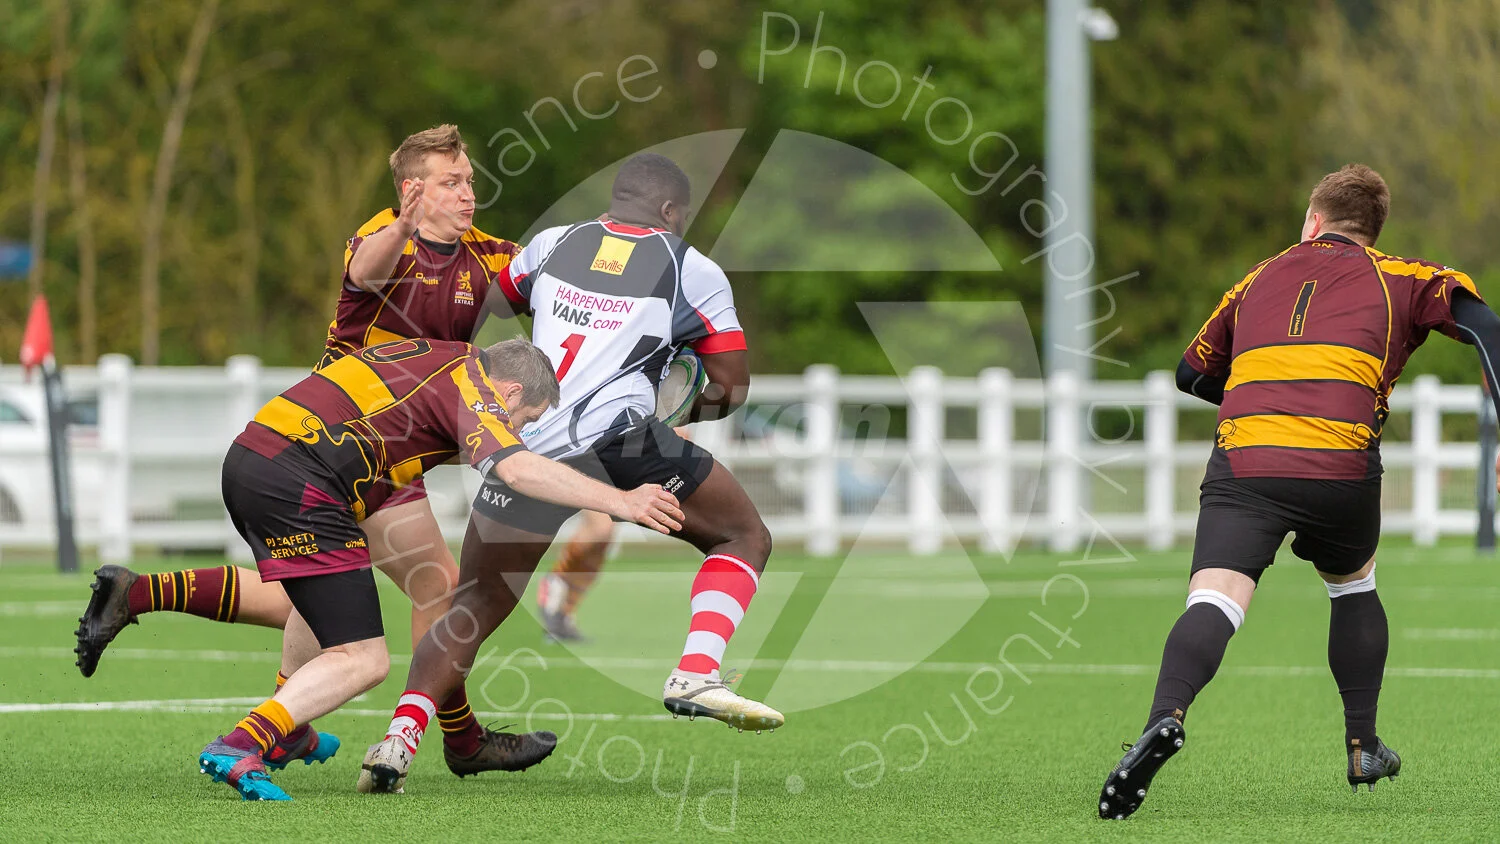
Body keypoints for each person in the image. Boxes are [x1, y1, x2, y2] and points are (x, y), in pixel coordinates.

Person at [73, 125, 544, 778]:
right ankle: (455, 739)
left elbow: (550, 281)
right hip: (352, 443)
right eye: (452, 182)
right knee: (434, 585)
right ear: (412, 193)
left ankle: (146, 598)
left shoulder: (488, 252)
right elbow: (363, 269)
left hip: (357, 448)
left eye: (469, 180)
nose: (469, 193)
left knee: (312, 601)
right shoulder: (385, 237)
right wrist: (404, 228)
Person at [357, 153, 778, 794]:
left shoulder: (555, 243)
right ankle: (696, 671)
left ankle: (397, 741)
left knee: (475, 603)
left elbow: (496, 309)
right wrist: (678, 408)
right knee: (743, 537)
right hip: (622, 441)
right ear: (672, 213)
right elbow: (732, 385)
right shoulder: (692, 268)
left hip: (524, 440)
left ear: (614, 199)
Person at [1097, 164, 1500, 820]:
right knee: (1353, 583)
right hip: (1339, 467)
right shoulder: (1404, 275)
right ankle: (1362, 744)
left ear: (1312, 221)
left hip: (1246, 463)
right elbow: (1488, 329)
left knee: (1217, 598)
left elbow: (1190, 372)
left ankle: (1163, 718)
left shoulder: (1255, 277)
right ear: (1372, 232)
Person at [196, 337, 682, 800]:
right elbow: (516, 468)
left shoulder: (442, 357)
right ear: (510, 391)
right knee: (365, 660)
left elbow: (436, 436)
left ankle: (287, 732)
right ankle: (242, 744)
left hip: (253, 459)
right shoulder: (473, 382)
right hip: (302, 481)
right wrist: (623, 500)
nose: (518, 430)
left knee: (320, 615)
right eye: (525, 418)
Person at [536, 426, 694, 643]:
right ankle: (557, 579)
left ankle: (564, 613)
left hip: (624, 452)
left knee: (603, 541)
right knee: (601, 529)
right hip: (594, 446)